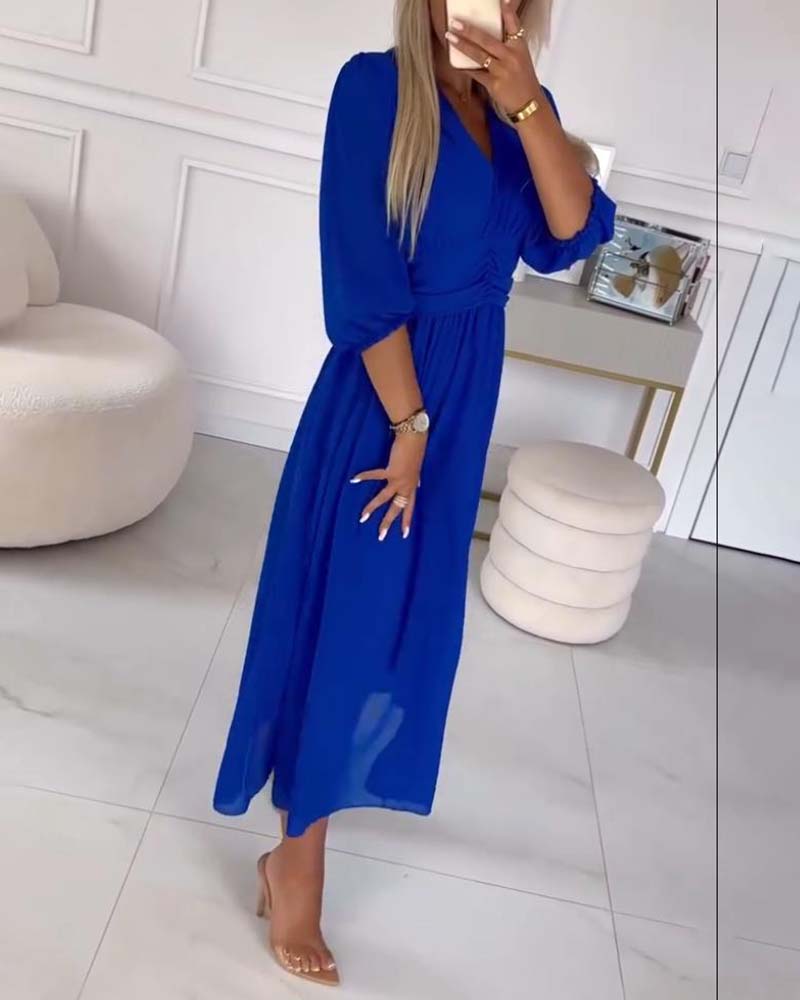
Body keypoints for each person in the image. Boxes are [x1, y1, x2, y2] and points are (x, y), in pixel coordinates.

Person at [213, 0, 616, 986]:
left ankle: (298, 839)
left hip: (459, 404)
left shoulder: (516, 110)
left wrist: (529, 107)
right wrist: (409, 427)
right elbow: (361, 279)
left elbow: (572, 233)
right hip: (385, 403)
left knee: (402, 625)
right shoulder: (374, 90)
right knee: (342, 620)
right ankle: (297, 859)